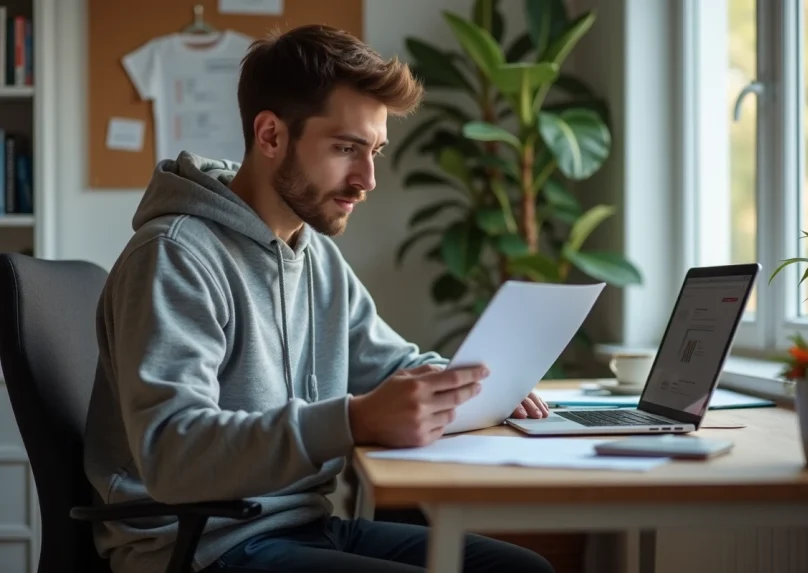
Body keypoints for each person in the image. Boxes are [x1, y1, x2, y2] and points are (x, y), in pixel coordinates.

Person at [83, 24, 555, 573]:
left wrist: (477, 386)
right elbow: (172, 453)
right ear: (271, 136)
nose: (368, 179)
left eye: (374, 150)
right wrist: (352, 421)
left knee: (522, 571)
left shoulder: (313, 255)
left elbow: (391, 366)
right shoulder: (174, 257)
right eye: (346, 148)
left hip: (300, 524)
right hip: (202, 545)